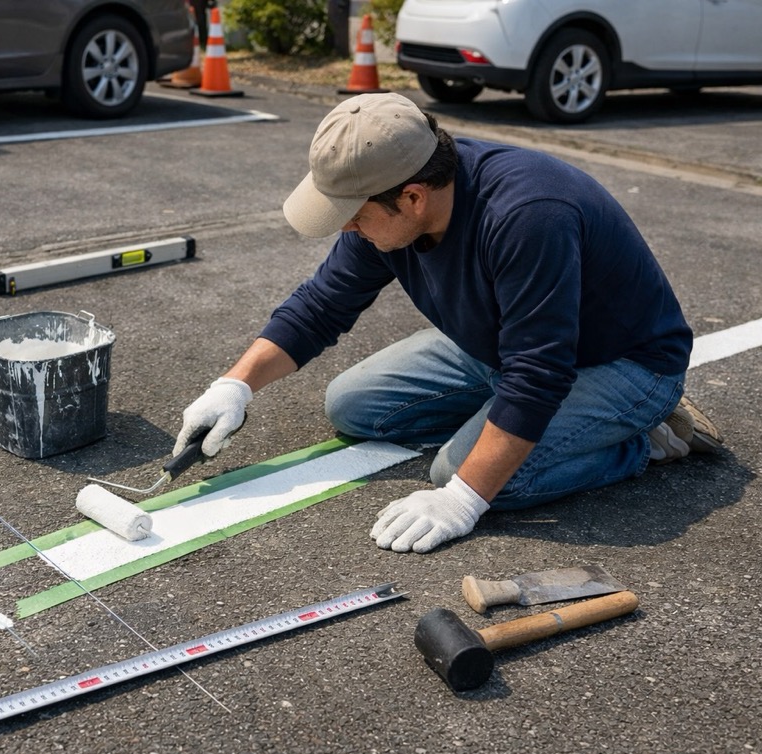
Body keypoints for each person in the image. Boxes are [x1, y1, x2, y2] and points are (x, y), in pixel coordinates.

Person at [173, 93, 723, 554]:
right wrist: (234, 386)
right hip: (505, 349)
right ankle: (507, 422)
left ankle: (648, 438)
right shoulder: (390, 193)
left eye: (354, 217)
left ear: (413, 198)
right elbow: (321, 305)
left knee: (464, 477)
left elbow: (538, 375)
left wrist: (463, 499)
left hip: (621, 364)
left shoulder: (528, 215)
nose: (347, 230)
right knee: (352, 405)